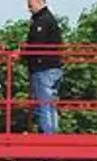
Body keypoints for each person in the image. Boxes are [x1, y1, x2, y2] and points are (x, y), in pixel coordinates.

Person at [24, 0, 64, 135]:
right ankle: (52, 133)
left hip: (44, 68)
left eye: (30, 5)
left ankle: (48, 136)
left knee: (44, 104)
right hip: (52, 67)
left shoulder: (42, 20)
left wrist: (24, 52)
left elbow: (37, 44)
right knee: (50, 103)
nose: (28, 8)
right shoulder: (47, 18)